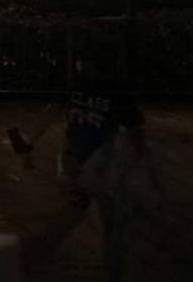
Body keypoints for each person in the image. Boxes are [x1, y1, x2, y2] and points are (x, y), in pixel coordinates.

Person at [23, 76, 159, 280]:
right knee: (105, 211)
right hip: (95, 161)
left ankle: (36, 253)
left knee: (79, 208)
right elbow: (135, 132)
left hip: (73, 158)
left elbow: (51, 112)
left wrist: (30, 145)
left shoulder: (77, 85)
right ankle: (112, 266)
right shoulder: (114, 92)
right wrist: (145, 169)